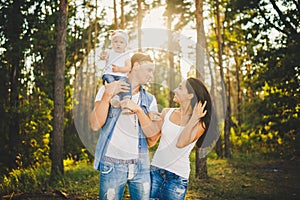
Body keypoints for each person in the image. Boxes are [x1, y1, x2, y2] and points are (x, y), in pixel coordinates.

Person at [89, 52, 160, 200]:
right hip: (112, 165)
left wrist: (138, 110)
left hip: (141, 167)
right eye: (149, 70)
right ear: (136, 66)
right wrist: (107, 96)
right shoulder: (106, 89)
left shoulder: (150, 100)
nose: (151, 75)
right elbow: (95, 124)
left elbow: (152, 138)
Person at [146, 77, 217, 200]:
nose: (174, 90)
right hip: (155, 171)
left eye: (179, 88)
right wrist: (148, 118)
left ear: (190, 95)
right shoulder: (166, 112)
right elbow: (151, 141)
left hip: (177, 178)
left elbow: (181, 142)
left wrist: (194, 117)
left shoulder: (200, 123)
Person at [100, 29, 131, 108]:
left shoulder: (126, 55)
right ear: (112, 43)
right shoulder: (109, 52)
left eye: (121, 42)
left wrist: (119, 69)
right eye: (115, 42)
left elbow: (128, 68)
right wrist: (103, 57)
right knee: (111, 81)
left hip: (121, 76)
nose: (118, 44)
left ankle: (126, 100)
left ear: (125, 45)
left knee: (126, 84)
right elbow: (103, 56)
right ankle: (115, 97)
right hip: (109, 74)